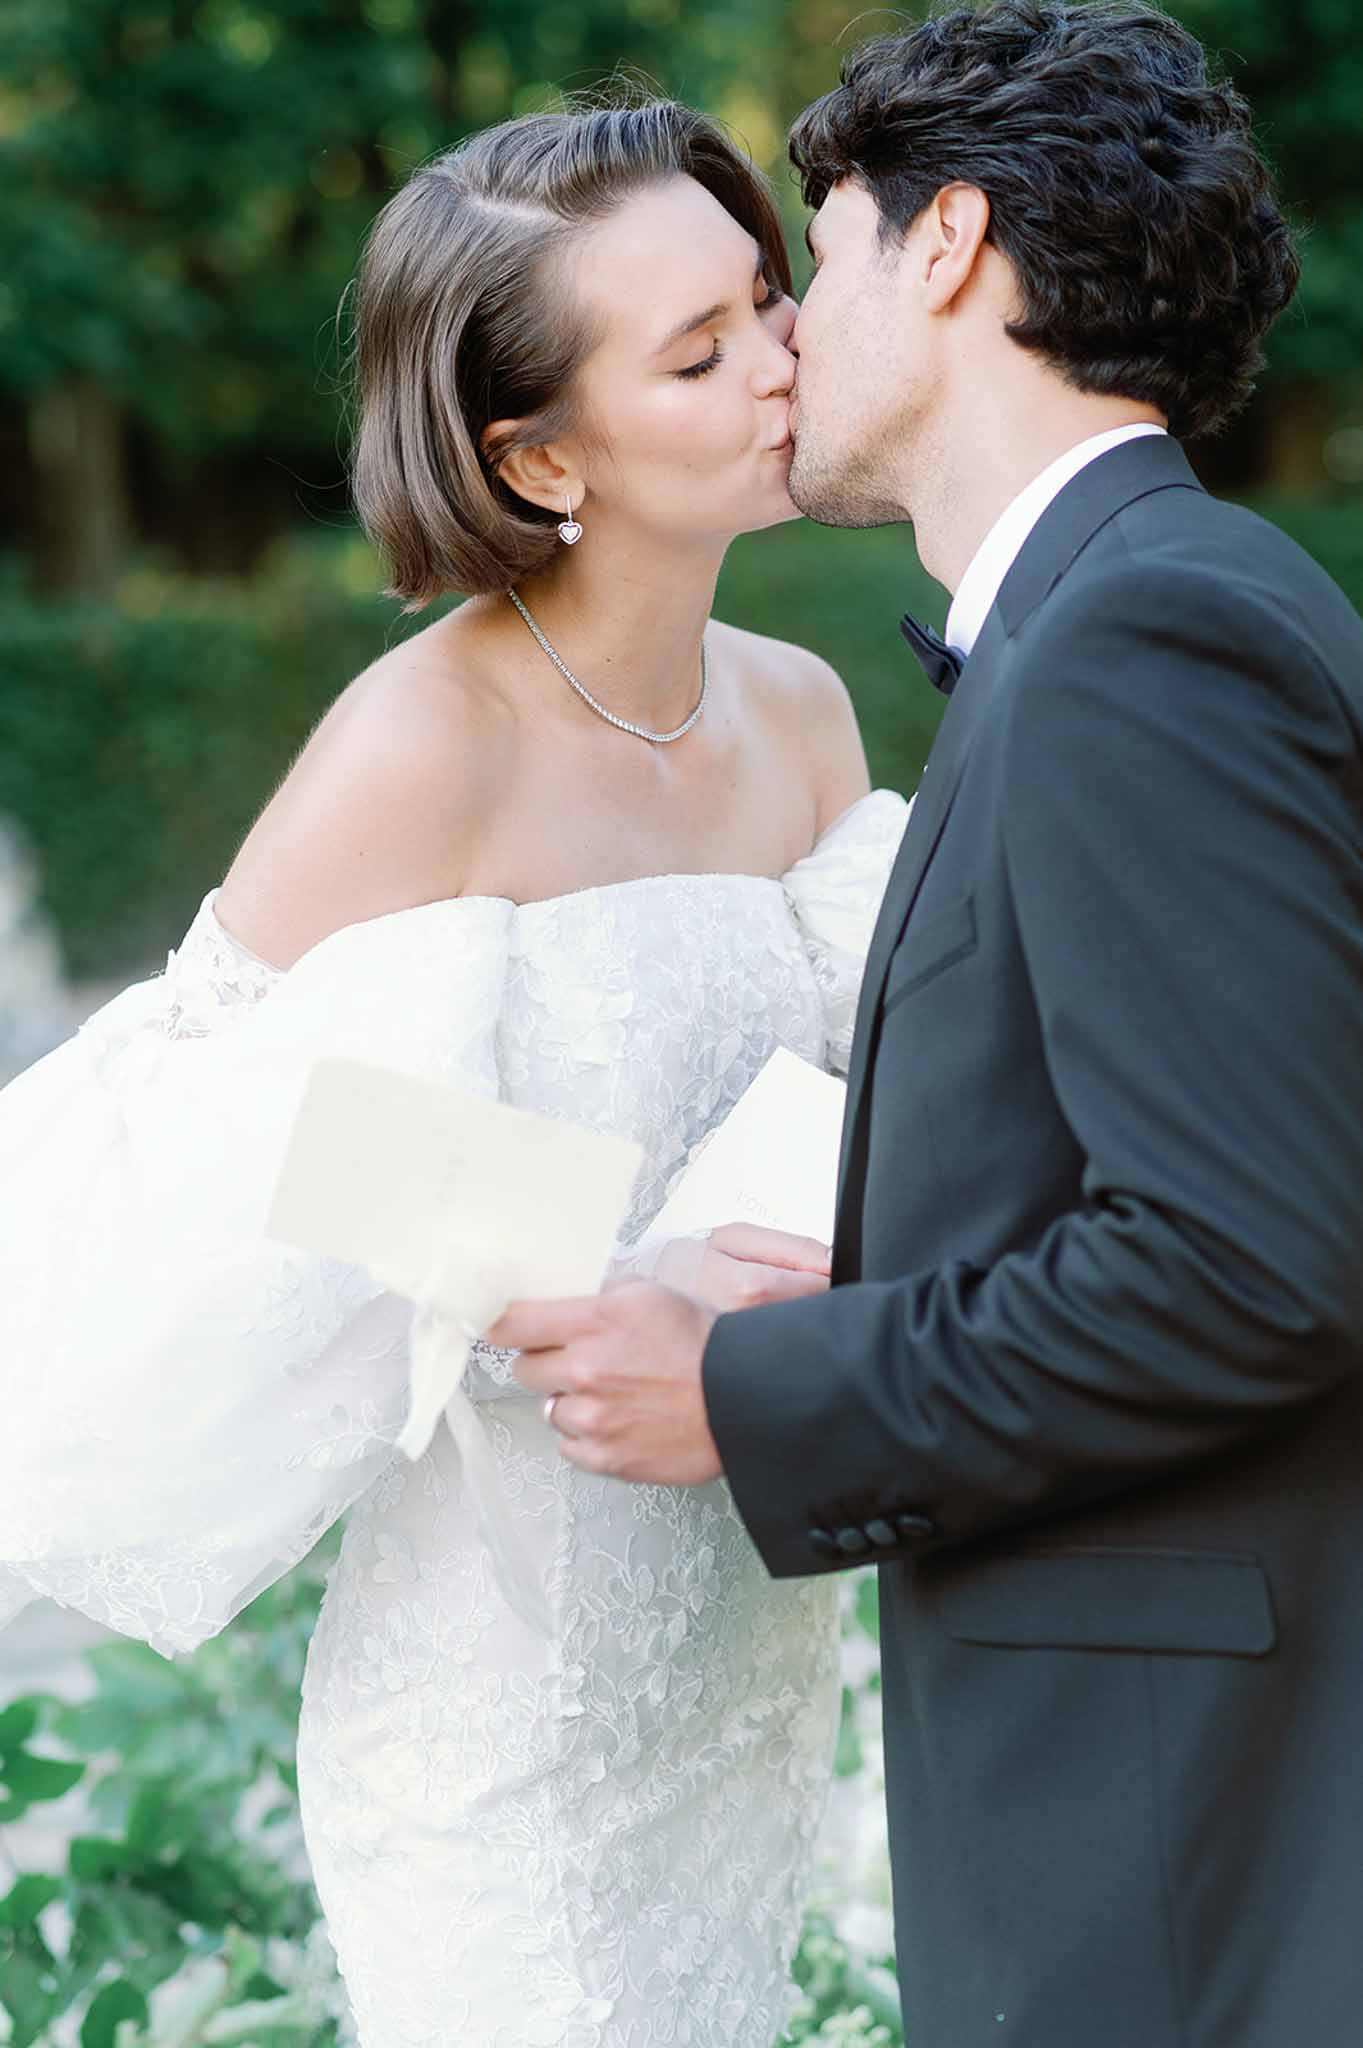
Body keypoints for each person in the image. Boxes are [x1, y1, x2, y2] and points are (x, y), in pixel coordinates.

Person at [0, 104, 914, 2047]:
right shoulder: (419, 741)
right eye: (696, 353)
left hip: (748, 1644)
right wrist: (579, 1282)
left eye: (765, 300)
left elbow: (869, 1095)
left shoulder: (812, 712)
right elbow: (199, 1127)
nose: (781, 358)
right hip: (505, 1699)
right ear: (533, 452)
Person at [493, 6, 1363, 2044]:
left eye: (821, 255)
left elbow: (1250, 1263)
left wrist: (763, 1387)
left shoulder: (1142, 638)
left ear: (949, 242)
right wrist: (892, 1276)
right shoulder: (1160, 603)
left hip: (1171, 1837)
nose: (788, 329)